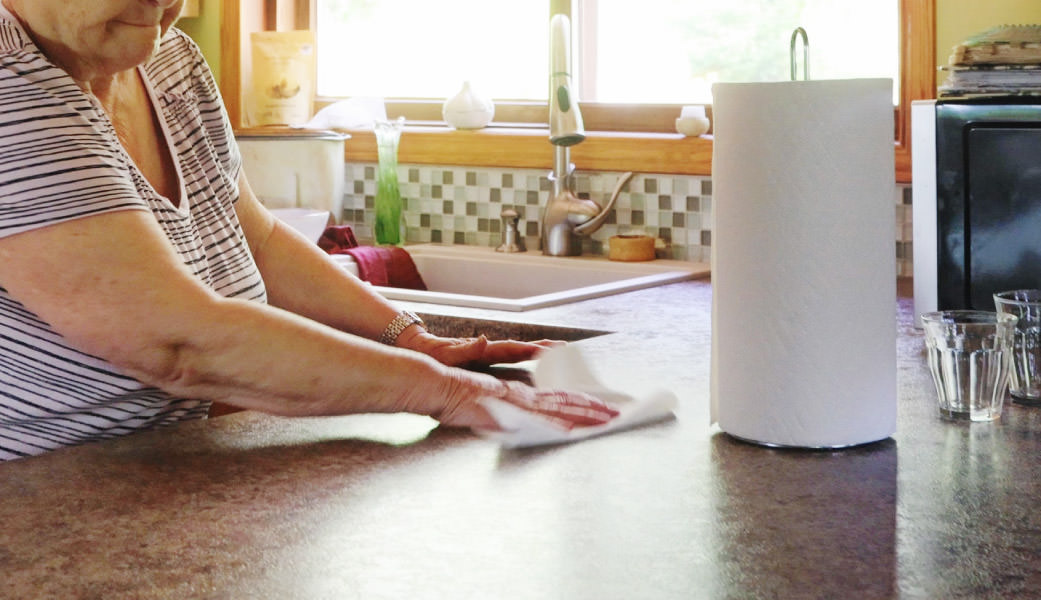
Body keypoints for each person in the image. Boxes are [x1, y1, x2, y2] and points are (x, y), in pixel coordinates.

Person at [0, 0, 617, 460]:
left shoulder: (168, 61)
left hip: (163, 464)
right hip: (39, 497)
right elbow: (176, 342)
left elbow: (256, 240)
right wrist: (445, 390)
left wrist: (411, 340)